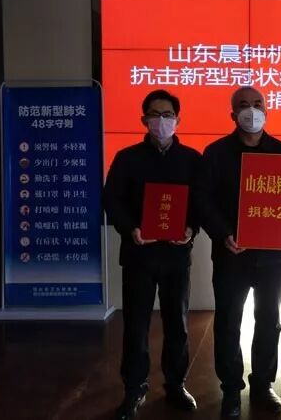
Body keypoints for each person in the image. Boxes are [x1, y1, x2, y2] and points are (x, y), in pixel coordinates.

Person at [195, 86, 281, 417]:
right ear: (233, 114)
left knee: (269, 320)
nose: (251, 111)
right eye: (243, 105)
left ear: (266, 110)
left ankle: (263, 384)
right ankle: (231, 389)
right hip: (230, 254)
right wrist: (223, 233)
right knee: (227, 322)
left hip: (273, 257)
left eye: (257, 104)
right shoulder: (216, 153)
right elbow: (203, 200)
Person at [103, 89, 201, 420]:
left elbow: (200, 202)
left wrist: (191, 229)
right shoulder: (127, 158)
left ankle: (176, 384)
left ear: (178, 119)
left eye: (168, 114)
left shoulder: (191, 160)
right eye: (155, 114)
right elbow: (112, 200)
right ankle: (134, 388)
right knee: (136, 325)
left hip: (176, 256)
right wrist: (130, 228)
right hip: (139, 255)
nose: (162, 120)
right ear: (144, 119)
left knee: (178, 323)